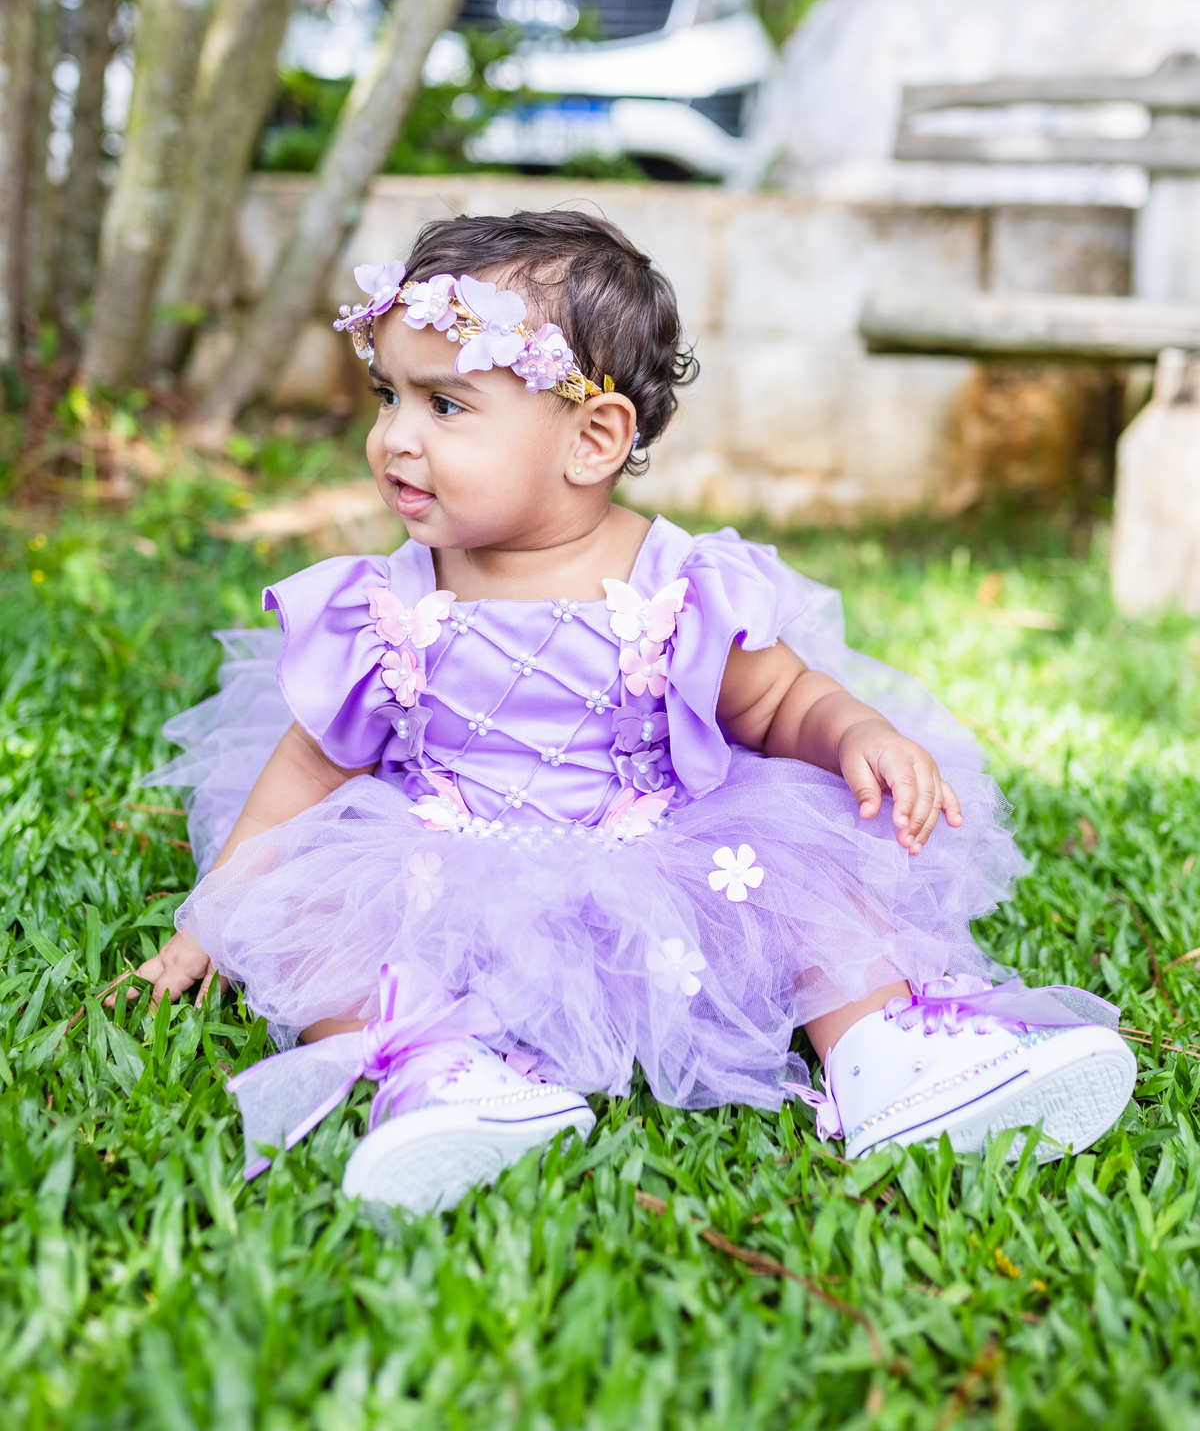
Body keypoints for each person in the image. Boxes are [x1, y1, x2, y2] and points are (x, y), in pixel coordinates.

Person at [134, 210, 1135, 1215]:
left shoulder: (677, 584)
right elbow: (305, 774)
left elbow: (780, 700)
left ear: (592, 438)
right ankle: (437, 1072)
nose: (394, 436)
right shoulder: (382, 602)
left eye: (443, 404)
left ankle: (884, 1054)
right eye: (387, 395)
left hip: (661, 866)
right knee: (308, 908)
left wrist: (854, 733)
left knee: (817, 878)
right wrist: (214, 918)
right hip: (439, 872)